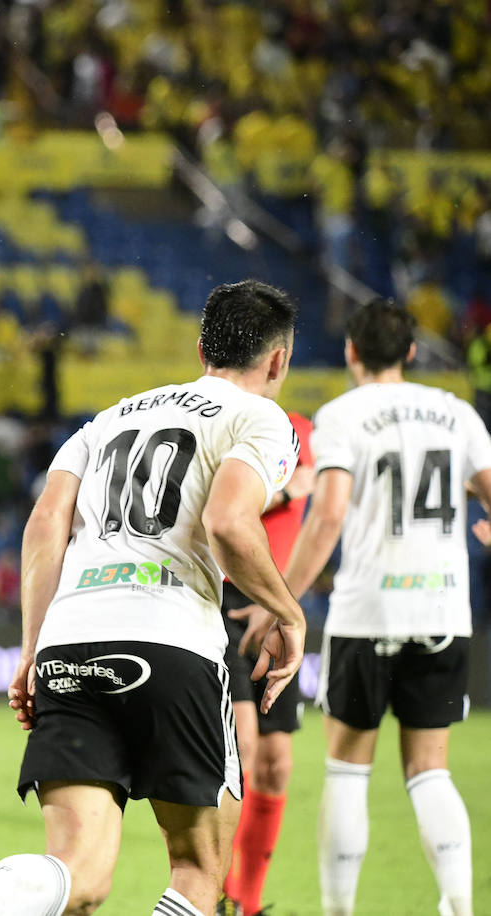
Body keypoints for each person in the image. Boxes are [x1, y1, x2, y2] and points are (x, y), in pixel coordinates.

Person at [0, 279, 307, 916]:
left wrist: (32, 652)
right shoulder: (261, 418)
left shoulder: (109, 418)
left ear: (201, 346)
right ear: (278, 360)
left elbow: (45, 525)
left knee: (79, 873)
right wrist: (289, 610)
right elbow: (229, 523)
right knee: (198, 869)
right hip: (173, 641)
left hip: (70, 641)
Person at [254, 300, 488, 916]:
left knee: (347, 770)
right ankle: (460, 905)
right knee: (430, 770)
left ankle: (338, 911)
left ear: (352, 352)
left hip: (367, 614)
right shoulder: (456, 414)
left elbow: (328, 514)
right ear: (411, 352)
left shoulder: (342, 415)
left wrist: (283, 598)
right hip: (442, 613)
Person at [216, 411, 314, 916]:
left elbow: (317, 496)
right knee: (243, 746)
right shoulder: (221, 425)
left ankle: (246, 903)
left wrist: (280, 600)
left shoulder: (302, 429)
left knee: (276, 764)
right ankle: (218, 892)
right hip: (226, 602)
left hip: (277, 612)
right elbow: (230, 507)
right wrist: (291, 491)